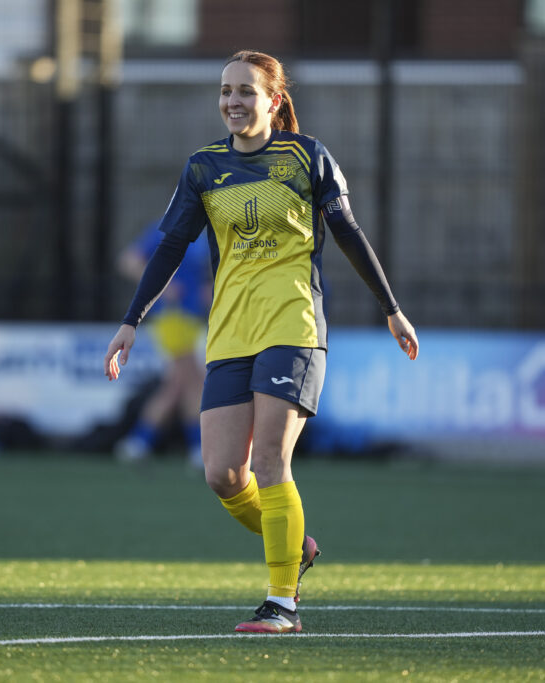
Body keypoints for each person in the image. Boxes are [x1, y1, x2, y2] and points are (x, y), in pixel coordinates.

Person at [103, 50, 419, 634]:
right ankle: (294, 543)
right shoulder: (203, 168)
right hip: (229, 331)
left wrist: (391, 309)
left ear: (274, 100)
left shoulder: (307, 157)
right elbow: (169, 247)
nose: (232, 101)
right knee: (223, 474)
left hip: (293, 326)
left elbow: (348, 233)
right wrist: (131, 321)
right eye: (226, 91)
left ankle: (282, 603)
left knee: (271, 461)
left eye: (245, 91)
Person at [114, 219, 211, 468]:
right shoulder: (165, 229)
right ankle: (196, 448)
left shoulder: (202, 232)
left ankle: (139, 442)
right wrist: (161, 284)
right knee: (190, 381)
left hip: (191, 317)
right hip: (171, 316)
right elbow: (128, 261)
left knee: (179, 384)